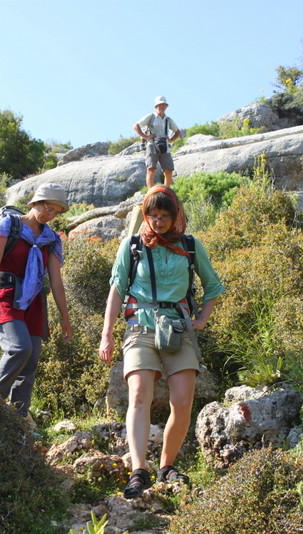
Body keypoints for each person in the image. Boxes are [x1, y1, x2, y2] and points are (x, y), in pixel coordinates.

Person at [98, 185, 224, 499]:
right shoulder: (133, 246)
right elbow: (116, 289)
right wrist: (107, 334)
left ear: (175, 215)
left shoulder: (192, 246)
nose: (158, 221)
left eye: (164, 215)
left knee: (182, 402)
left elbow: (213, 287)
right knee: (139, 394)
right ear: (145, 215)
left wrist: (201, 320)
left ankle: (167, 466)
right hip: (139, 327)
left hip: (179, 328)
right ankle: (139, 470)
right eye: (152, 215)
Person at [0, 183, 72, 418]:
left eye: (55, 211)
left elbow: (56, 282)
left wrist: (65, 318)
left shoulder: (51, 239)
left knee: (31, 359)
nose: (50, 214)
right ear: (35, 203)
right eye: (47, 207)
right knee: (19, 348)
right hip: (5, 295)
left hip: (33, 301)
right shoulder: (9, 225)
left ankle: (18, 418)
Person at [134, 96, 182, 189]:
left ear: (166, 106)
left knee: (168, 170)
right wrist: (146, 136)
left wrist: (170, 140)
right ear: (156, 107)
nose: (162, 107)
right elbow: (136, 126)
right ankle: (151, 192)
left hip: (165, 146)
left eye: (163, 105)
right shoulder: (151, 116)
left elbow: (178, 132)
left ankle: (166, 191)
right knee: (151, 169)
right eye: (160, 105)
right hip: (152, 145)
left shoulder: (168, 119)